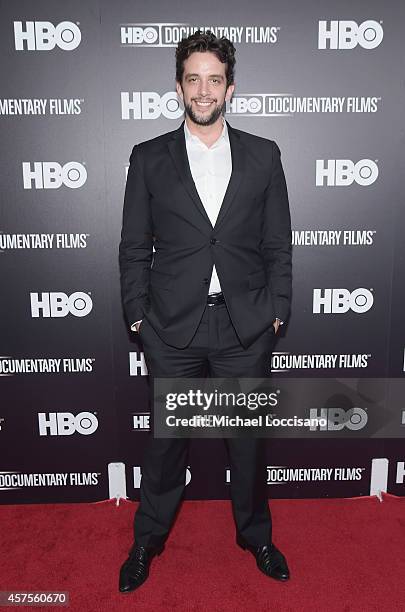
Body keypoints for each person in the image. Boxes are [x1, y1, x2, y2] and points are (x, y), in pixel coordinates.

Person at [118, 29, 292, 593]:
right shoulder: (148, 158)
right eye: (192, 78)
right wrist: (139, 317)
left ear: (230, 88)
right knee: (167, 443)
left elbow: (277, 246)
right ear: (178, 86)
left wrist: (277, 311)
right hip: (173, 326)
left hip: (244, 325)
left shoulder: (265, 156)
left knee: (246, 443)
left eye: (213, 79)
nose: (203, 88)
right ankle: (148, 537)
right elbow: (132, 247)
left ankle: (256, 535)